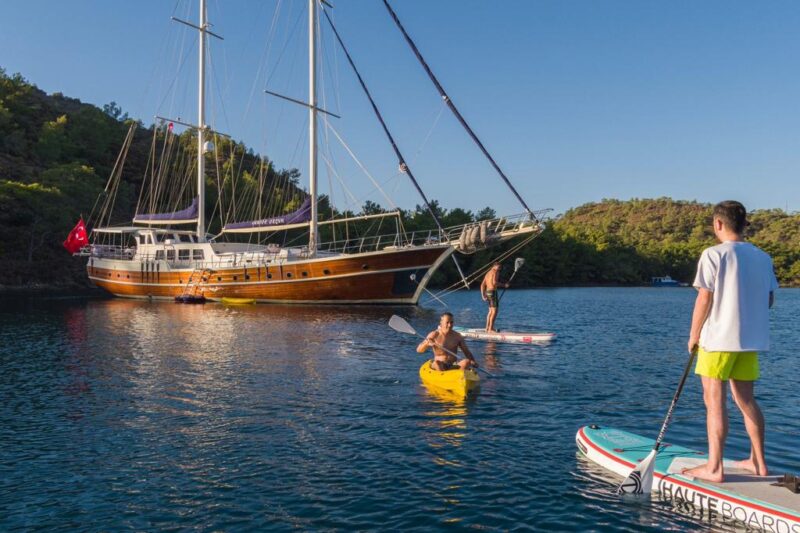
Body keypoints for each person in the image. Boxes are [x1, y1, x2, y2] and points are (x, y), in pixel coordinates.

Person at [683, 201, 778, 483]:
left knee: (714, 401)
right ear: (744, 224)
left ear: (718, 224)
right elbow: (769, 299)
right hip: (750, 342)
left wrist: (693, 335)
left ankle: (714, 468)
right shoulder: (763, 257)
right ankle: (758, 462)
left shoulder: (713, 254)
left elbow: (704, 297)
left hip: (717, 341)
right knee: (746, 400)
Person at [481, 262, 510, 332]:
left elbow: (482, 285)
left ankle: (487, 328)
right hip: (493, 292)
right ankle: (490, 328)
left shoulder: (488, 273)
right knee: (494, 311)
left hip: (488, 292)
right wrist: (504, 285)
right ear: (494, 266)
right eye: (498, 267)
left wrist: (483, 295)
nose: (499, 269)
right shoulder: (495, 272)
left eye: (500, 268)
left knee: (490, 311)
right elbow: (494, 283)